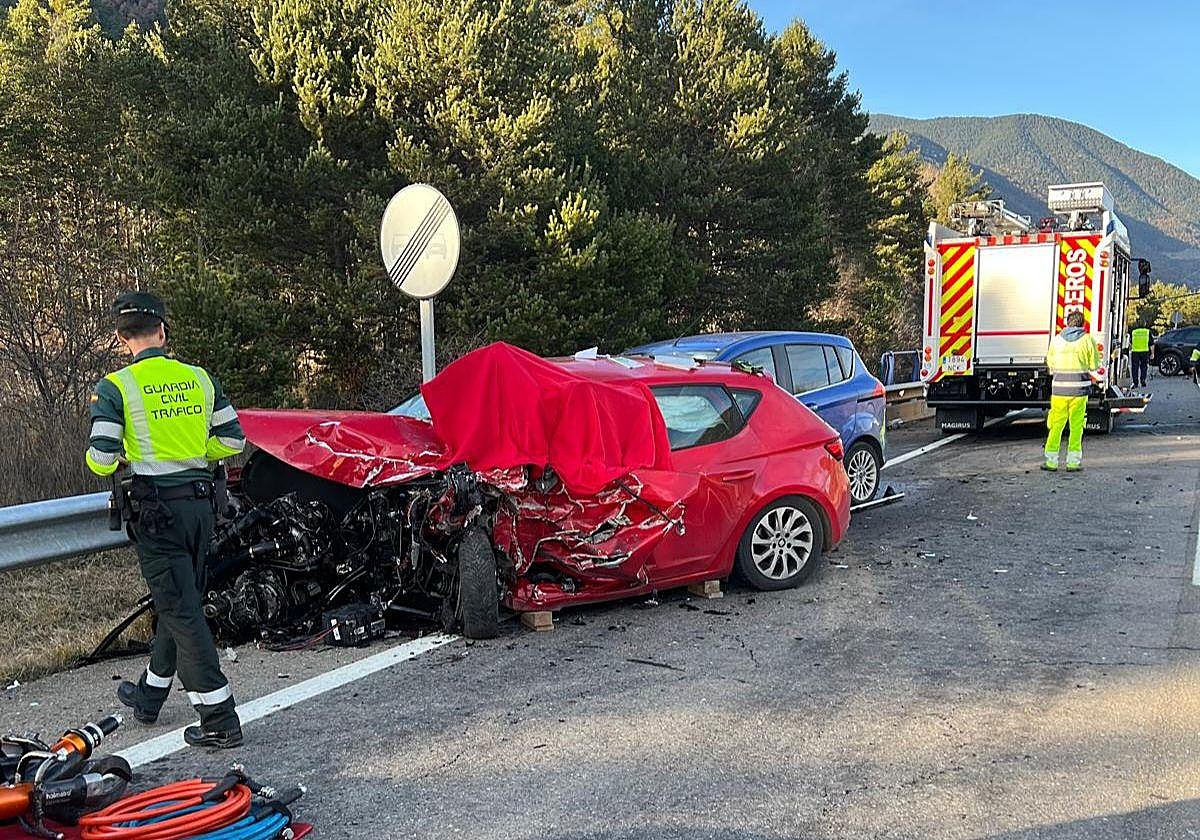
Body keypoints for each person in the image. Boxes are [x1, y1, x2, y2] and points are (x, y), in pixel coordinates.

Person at [85, 292, 246, 749]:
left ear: (122, 339)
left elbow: (101, 458)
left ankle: (219, 718)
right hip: (201, 508)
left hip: (156, 514)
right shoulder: (200, 378)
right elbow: (233, 442)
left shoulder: (116, 387)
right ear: (163, 332)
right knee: (182, 600)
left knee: (179, 608)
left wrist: (133, 456)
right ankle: (150, 695)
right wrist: (193, 455)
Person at [1043, 310, 1099, 472]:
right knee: (1076, 427)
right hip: (1079, 391)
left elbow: (1051, 364)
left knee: (1056, 425)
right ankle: (1073, 463)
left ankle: (1051, 462)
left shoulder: (1056, 341)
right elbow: (1094, 365)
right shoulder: (1087, 340)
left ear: (1067, 323)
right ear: (1082, 324)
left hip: (1059, 390)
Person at [1129, 325, 1151, 389]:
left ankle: (1135, 382)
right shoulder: (1147, 332)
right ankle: (1143, 380)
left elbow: (1130, 342)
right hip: (1145, 351)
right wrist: (1152, 354)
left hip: (1135, 352)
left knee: (1135, 368)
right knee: (1144, 367)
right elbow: (1151, 344)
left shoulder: (1133, 332)